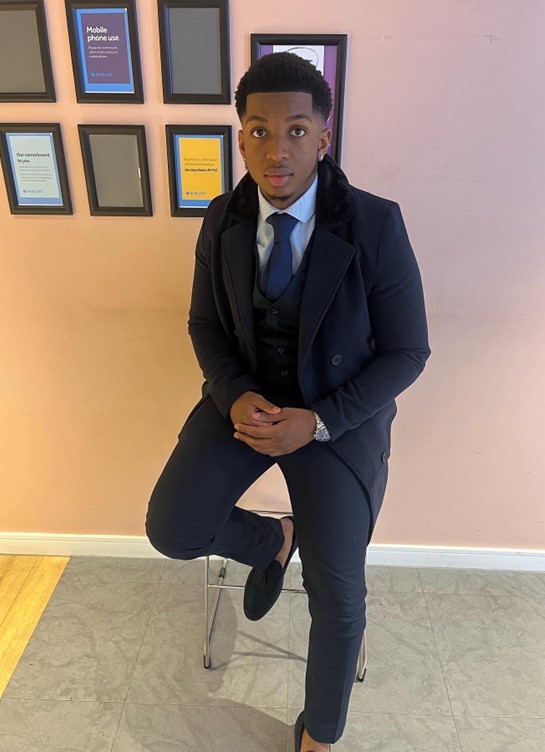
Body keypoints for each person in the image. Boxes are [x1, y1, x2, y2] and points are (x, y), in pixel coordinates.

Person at [146, 52, 430, 751]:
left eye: (297, 130)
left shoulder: (375, 223)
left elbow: (407, 352)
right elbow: (204, 325)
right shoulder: (222, 217)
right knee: (172, 529)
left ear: (324, 137)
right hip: (247, 402)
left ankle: (321, 734)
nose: (278, 149)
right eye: (260, 131)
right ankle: (273, 540)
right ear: (241, 138)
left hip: (336, 416)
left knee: (337, 590)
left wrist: (322, 421)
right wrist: (232, 394)